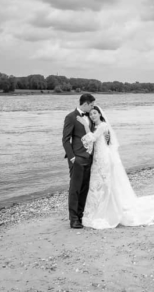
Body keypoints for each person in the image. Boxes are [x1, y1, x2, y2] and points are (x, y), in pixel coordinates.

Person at [62, 93, 96, 229]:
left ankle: (80, 216)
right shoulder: (70, 117)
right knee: (75, 189)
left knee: (84, 188)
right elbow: (65, 140)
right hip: (77, 158)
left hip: (89, 158)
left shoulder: (90, 117)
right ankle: (73, 219)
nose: (94, 107)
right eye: (92, 104)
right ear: (86, 104)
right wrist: (72, 158)